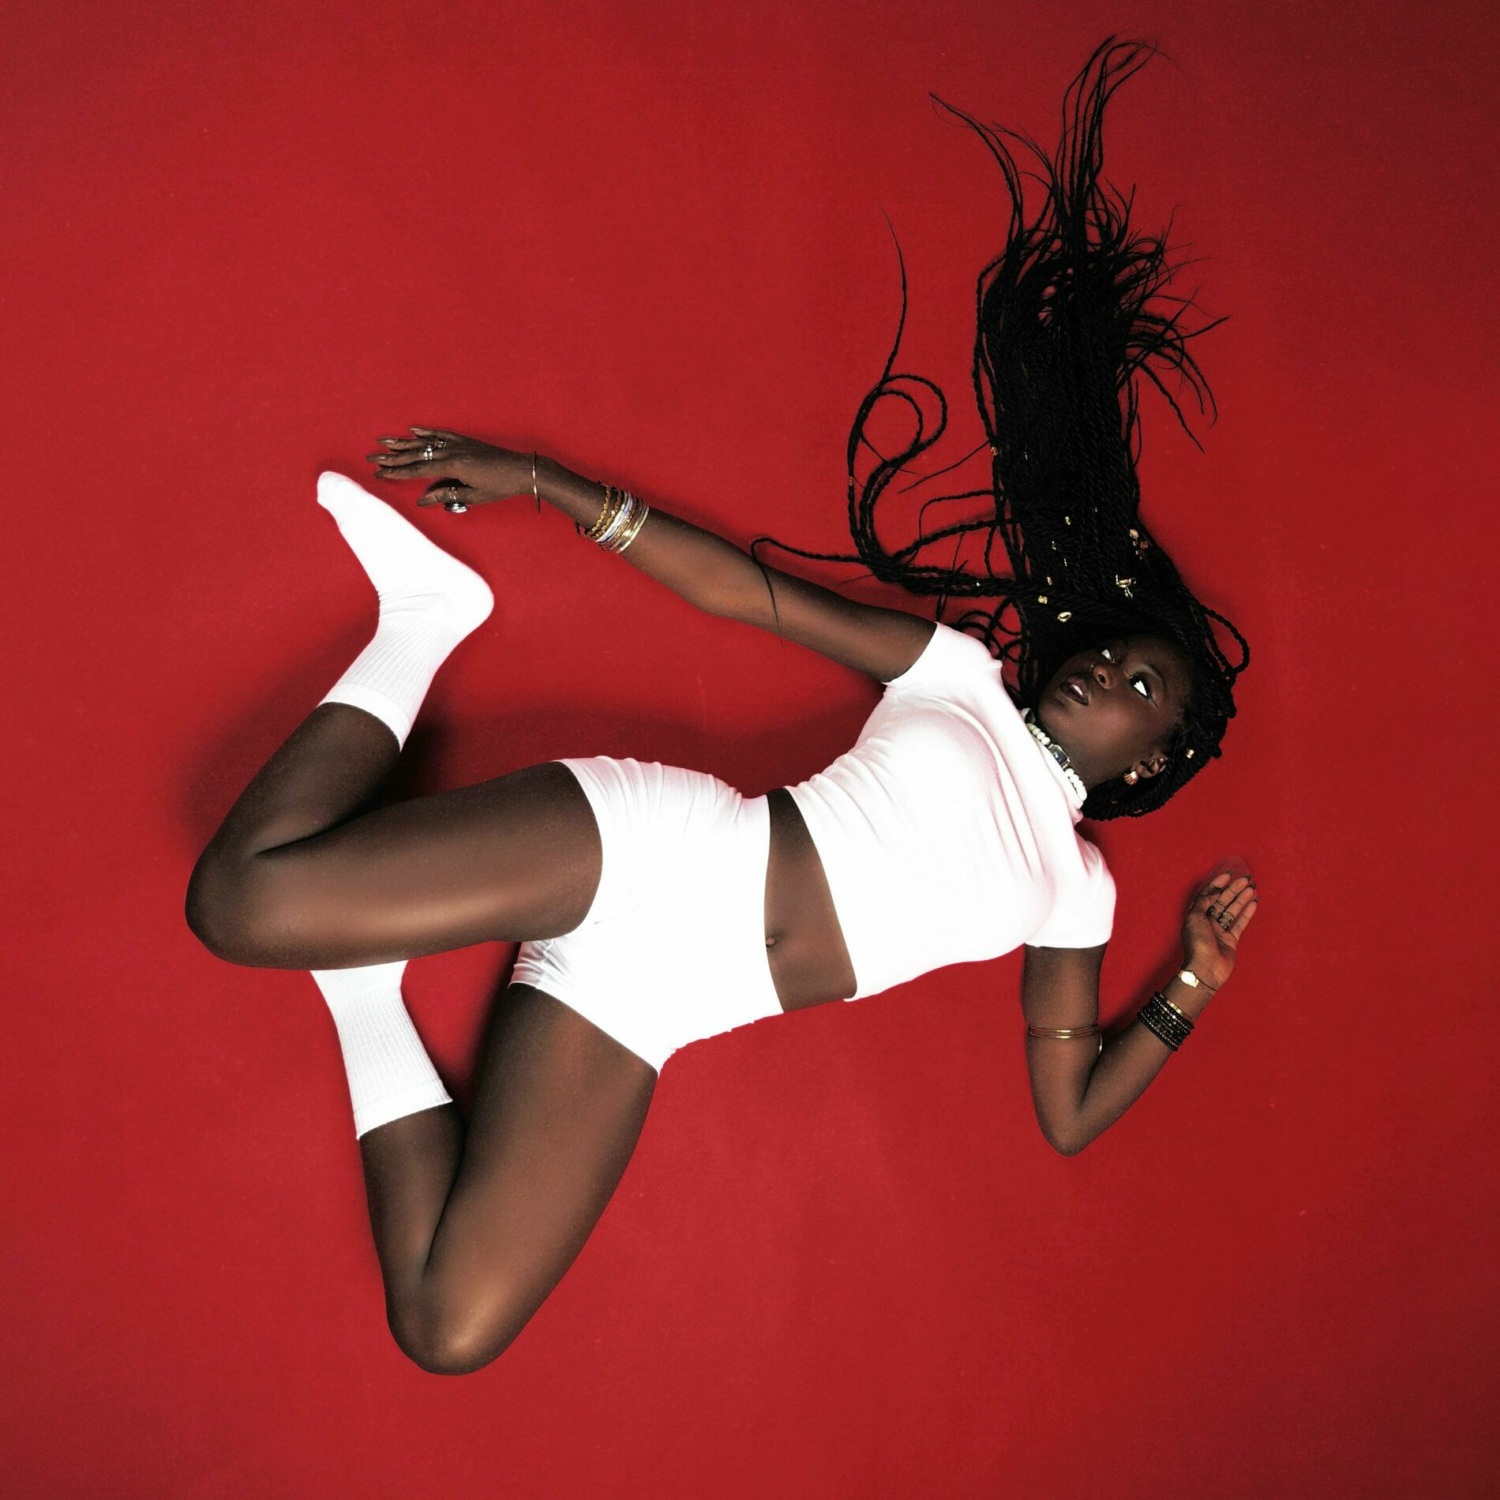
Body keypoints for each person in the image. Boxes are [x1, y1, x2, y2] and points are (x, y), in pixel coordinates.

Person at [185, 39, 1257, 1376]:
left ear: (1153, 758)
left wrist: (1191, 986)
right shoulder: (958, 677)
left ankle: (363, 991)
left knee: (448, 1328)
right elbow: (749, 595)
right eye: (1108, 652)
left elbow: (1070, 1111)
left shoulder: (1078, 890)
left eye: (1141, 685)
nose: (1101, 672)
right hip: (663, 852)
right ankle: (427, 619)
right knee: (237, 906)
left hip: (659, 997)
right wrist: (546, 481)